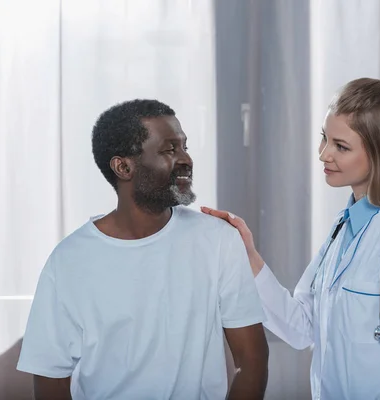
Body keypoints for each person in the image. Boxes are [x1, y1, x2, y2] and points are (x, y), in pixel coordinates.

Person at [201, 78, 380, 399]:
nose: (323, 154)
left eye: (341, 146)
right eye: (324, 138)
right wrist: (248, 254)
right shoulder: (342, 229)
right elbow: (301, 328)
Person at [17, 100, 269, 400]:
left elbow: (252, 361)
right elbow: (50, 378)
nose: (186, 158)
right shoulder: (69, 261)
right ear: (123, 167)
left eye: (184, 146)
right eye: (169, 149)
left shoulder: (218, 241)